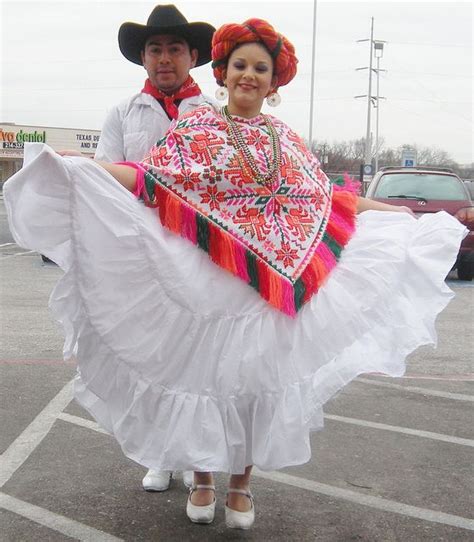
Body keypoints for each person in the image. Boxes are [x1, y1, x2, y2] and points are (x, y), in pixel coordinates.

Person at [4, 18, 467, 531]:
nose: (249, 75)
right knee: (204, 375)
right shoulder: (195, 130)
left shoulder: (285, 141)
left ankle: (241, 485)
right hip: (205, 278)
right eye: (240, 65)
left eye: (260, 68)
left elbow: (321, 199)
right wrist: (87, 167)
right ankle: (203, 480)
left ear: (274, 82)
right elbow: (151, 179)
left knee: (252, 381)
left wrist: (384, 209)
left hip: (267, 292)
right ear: (222, 73)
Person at [95, 3, 216, 493]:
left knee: (197, 358)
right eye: (155, 49)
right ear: (143, 58)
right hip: (140, 252)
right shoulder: (122, 113)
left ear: (191, 56)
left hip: (197, 253)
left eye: (174, 49)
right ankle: (160, 454)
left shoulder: (210, 114)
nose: (164, 58)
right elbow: (105, 179)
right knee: (151, 357)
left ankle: (193, 457)